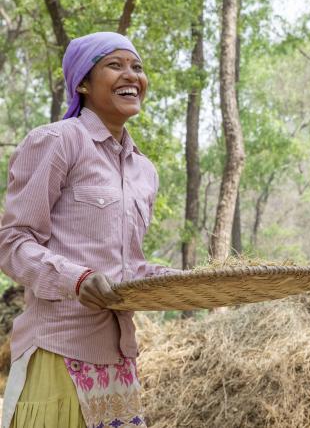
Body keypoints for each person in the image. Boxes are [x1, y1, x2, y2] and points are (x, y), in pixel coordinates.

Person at [0, 32, 178, 428]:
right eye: (115, 65)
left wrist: (180, 283)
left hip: (118, 359)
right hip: (59, 348)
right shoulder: (57, 142)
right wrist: (76, 280)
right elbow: (12, 243)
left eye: (137, 67)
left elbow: (127, 267)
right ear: (82, 82)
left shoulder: (143, 170)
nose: (131, 74)